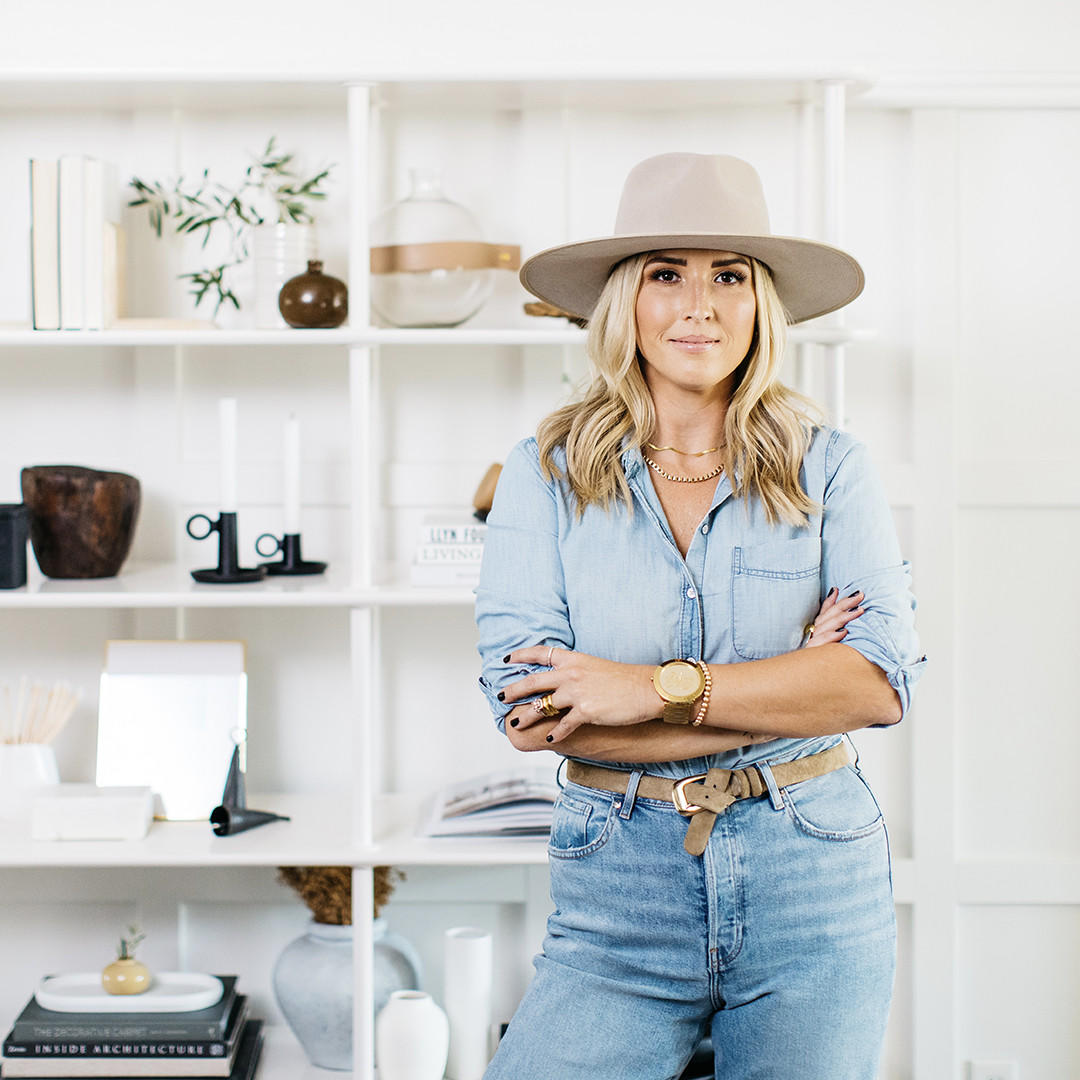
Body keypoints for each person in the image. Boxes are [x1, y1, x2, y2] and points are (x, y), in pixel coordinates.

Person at [474, 153, 926, 1080]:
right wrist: (792, 689)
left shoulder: (832, 466)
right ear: (623, 303)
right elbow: (532, 713)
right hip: (618, 890)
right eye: (665, 275)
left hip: (814, 876)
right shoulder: (543, 472)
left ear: (761, 304)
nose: (699, 307)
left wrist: (643, 690)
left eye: (728, 277)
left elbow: (877, 686)